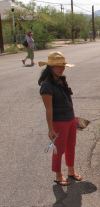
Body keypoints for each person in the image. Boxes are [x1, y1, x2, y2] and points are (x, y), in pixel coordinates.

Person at [38, 52, 82, 186]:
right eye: (58, 66)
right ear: (50, 66)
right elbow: (49, 109)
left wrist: (74, 119)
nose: (62, 69)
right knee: (59, 149)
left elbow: (67, 100)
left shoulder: (61, 80)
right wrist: (50, 129)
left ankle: (71, 171)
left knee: (71, 147)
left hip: (69, 119)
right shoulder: (47, 85)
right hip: (59, 122)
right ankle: (58, 175)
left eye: (63, 66)